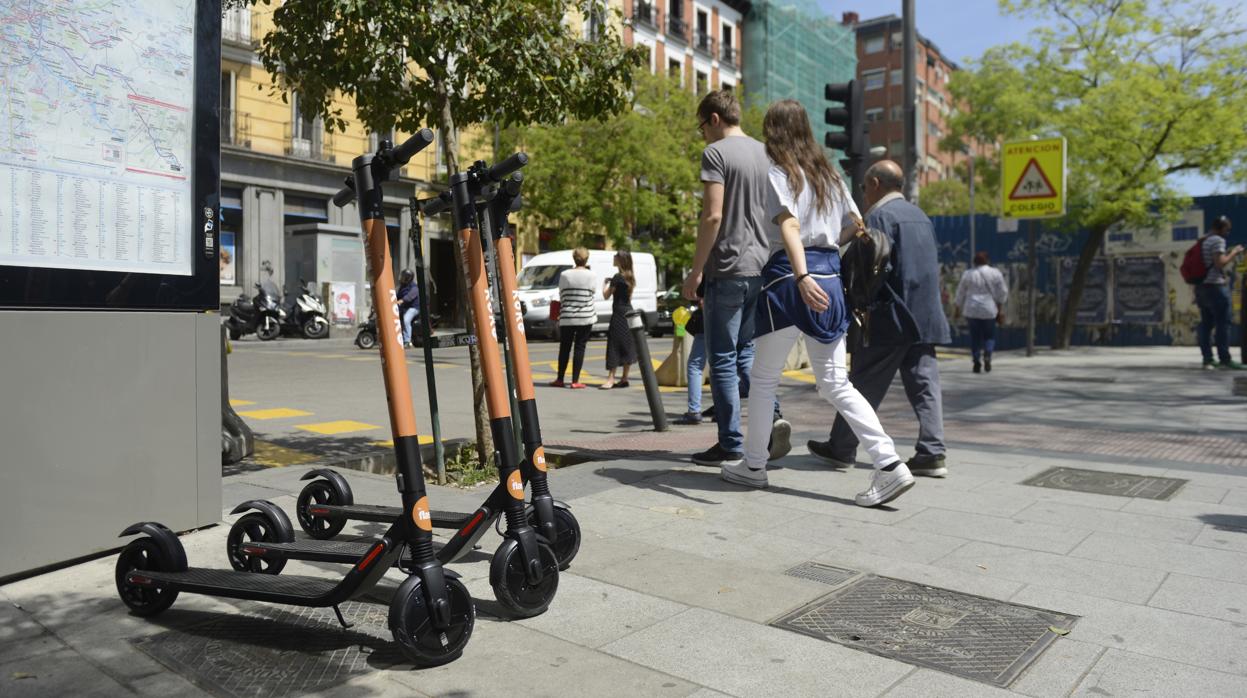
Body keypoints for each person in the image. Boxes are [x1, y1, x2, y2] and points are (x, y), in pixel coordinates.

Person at [720, 100, 912, 507]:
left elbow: (788, 223)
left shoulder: (777, 174)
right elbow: (855, 226)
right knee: (835, 382)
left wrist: (802, 273)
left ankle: (754, 466)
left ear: (774, 132)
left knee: (764, 376)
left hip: (791, 280)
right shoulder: (830, 176)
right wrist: (822, 259)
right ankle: (890, 463)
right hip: (830, 278)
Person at [807, 160, 952, 478]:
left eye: (863, 187)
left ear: (874, 183)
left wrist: (856, 302)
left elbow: (869, 268)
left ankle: (842, 448)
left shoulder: (878, 217)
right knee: (925, 383)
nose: (863, 193)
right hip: (924, 316)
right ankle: (932, 451)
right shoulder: (920, 215)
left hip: (890, 316)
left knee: (863, 383)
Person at [682, 88, 791, 466]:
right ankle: (773, 417)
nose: (703, 135)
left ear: (714, 119)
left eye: (702, 127)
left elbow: (713, 216)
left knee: (723, 358)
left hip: (727, 266)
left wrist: (695, 272)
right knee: (747, 353)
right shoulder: (766, 153)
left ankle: (730, 442)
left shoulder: (716, 153)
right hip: (761, 267)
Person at [1196, 216, 1245, 370]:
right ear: (1222, 228)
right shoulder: (1218, 240)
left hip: (1201, 286)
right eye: (1227, 229)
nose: (1228, 233)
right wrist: (1234, 252)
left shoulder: (1204, 240)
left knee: (1206, 324)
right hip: (1215, 287)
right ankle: (1225, 359)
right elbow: (1220, 263)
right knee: (1223, 323)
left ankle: (1208, 359)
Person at [954, 251, 1008, 374]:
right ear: (987, 261)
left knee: (975, 337)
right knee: (989, 335)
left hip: (972, 309)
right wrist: (1000, 305)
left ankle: (976, 361)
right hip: (989, 309)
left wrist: (957, 308)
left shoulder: (968, 274)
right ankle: (988, 354)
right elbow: (1003, 291)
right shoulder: (995, 273)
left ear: (974, 262)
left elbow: (960, 293)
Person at [551, 247, 598, 388]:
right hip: (586, 316)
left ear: (574, 258)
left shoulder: (565, 275)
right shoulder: (592, 275)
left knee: (564, 347)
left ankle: (560, 379)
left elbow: (561, 293)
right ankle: (575, 381)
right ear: (586, 259)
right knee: (580, 347)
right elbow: (593, 292)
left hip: (567, 316)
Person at [602, 250, 637, 389]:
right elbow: (629, 297)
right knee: (626, 344)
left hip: (618, 314)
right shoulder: (630, 277)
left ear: (620, 260)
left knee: (614, 344)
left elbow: (606, 295)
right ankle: (624, 378)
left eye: (615, 256)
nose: (613, 258)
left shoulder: (617, 277)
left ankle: (611, 379)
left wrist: (604, 284)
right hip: (628, 312)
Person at [675, 301, 708, 424]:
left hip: (708, 321)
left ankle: (694, 411)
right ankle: (724, 410)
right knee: (722, 366)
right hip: (732, 319)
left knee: (695, 366)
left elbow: (694, 292)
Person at [397, 269, 420, 348]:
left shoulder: (414, 287)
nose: (401, 278)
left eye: (404, 277)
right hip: (404, 307)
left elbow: (410, 296)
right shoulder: (402, 287)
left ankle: (407, 341)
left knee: (406, 320)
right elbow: (397, 296)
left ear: (408, 278)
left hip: (413, 308)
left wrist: (402, 300)